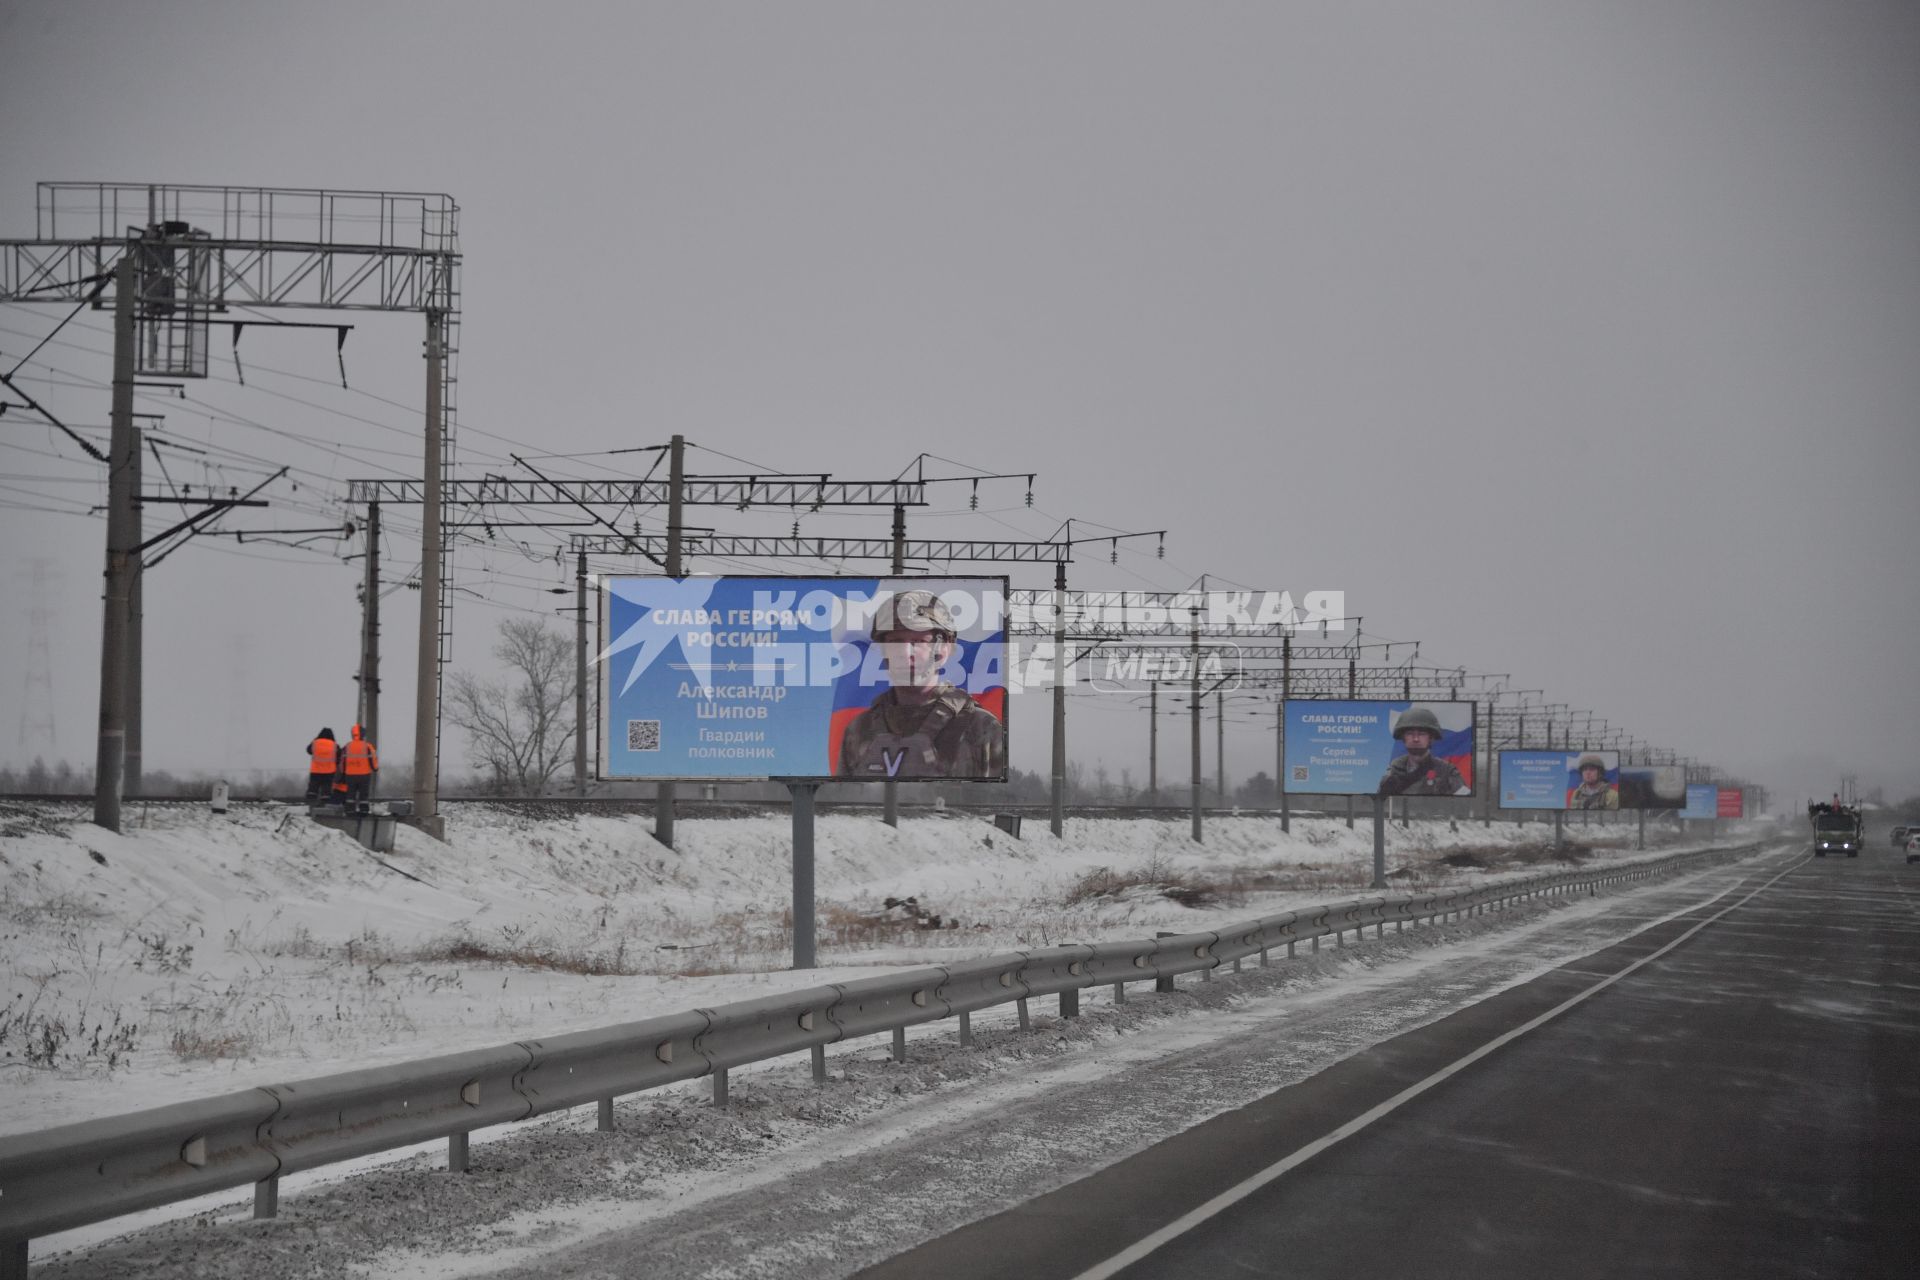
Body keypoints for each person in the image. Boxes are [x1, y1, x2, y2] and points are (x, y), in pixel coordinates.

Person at [837, 590, 1006, 779]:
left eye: (918, 641)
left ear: (943, 649)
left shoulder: (980, 727)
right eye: (895, 642)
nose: (905, 651)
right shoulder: (860, 729)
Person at [1377, 705, 1469, 796]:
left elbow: (1465, 802)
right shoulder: (1395, 768)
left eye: (1422, 734)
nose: (1416, 739)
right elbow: (1380, 801)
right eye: (1410, 734)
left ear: (1431, 738)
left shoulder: (1446, 771)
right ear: (1403, 738)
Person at [342, 723, 378, 812]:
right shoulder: (367, 746)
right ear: (362, 734)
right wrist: (375, 768)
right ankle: (363, 811)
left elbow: (342, 760)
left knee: (350, 794)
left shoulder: (347, 746)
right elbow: (372, 760)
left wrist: (343, 771)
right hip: (364, 775)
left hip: (350, 775)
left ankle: (350, 810)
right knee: (363, 795)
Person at [305, 727, 339, 804]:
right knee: (326, 790)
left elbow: (309, 750)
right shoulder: (334, 745)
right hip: (329, 771)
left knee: (313, 789)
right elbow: (339, 754)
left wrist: (314, 740)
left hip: (316, 770)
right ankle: (325, 805)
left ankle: (310, 804)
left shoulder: (315, 743)